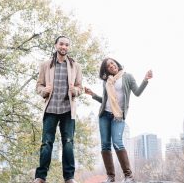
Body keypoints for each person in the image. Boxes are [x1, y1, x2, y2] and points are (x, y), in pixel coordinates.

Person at [85, 58, 153, 183]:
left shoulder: (127, 77)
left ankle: (129, 176)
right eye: (108, 65)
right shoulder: (107, 81)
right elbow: (105, 101)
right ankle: (111, 177)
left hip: (118, 116)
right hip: (104, 115)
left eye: (112, 63)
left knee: (117, 142)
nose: (111, 66)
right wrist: (93, 95)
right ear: (106, 70)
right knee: (105, 145)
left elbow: (137, 93)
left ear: (116, 64)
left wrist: (145, 80)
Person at [33, 36, 83, 183]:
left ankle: (69, 177)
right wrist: (44, 91)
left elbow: (80, 87)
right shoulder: (46, 65)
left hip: (68, 110)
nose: (64, 47)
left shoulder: (76, 66)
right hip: (50, 109)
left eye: (67, 45)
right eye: (61, 44)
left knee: (68, 142)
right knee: (46, 143)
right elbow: (38, 86)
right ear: (56, 45)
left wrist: (75, 91)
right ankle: (40, 176)